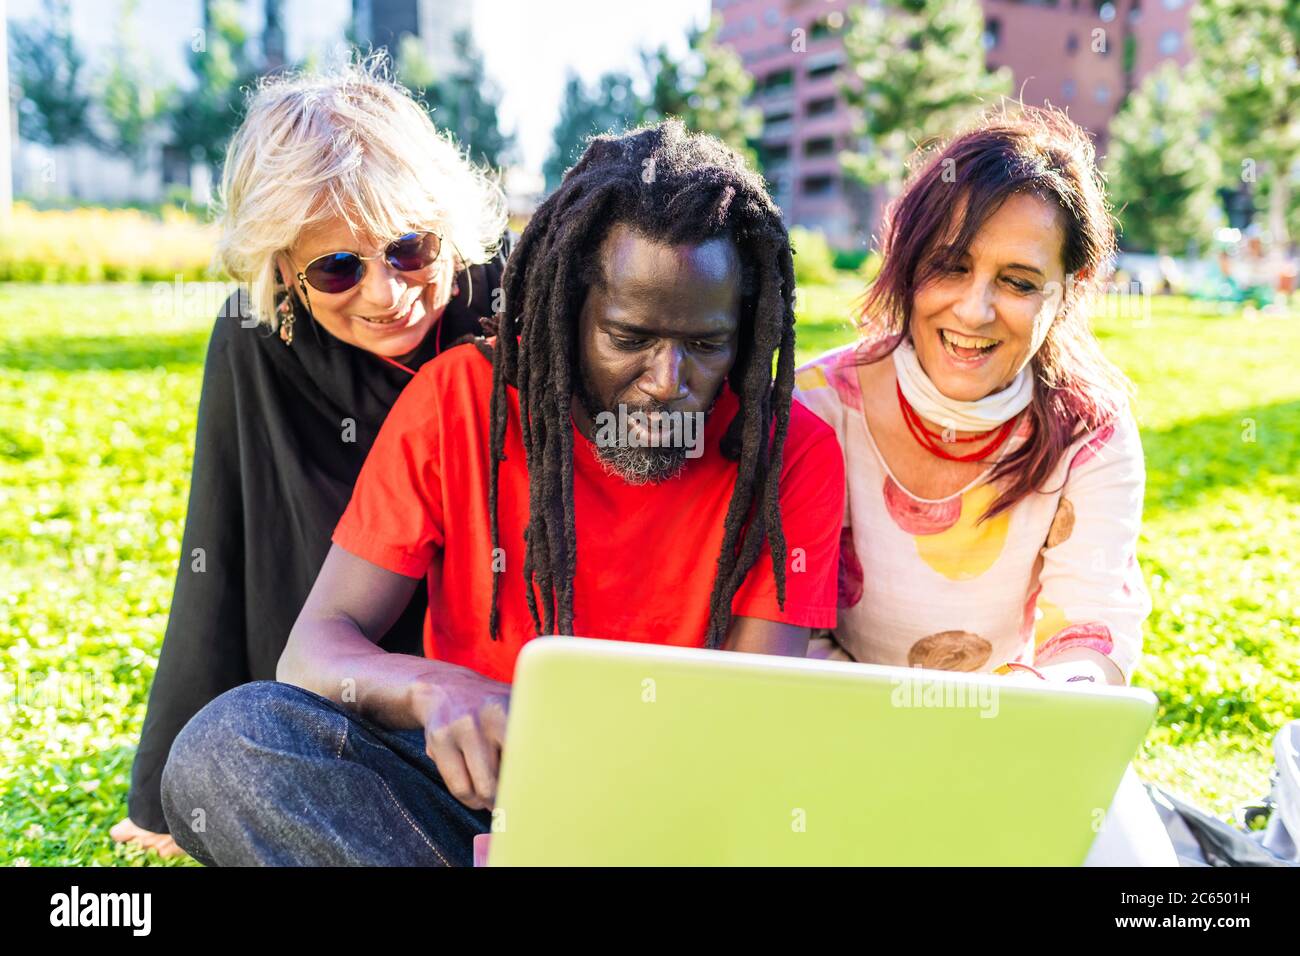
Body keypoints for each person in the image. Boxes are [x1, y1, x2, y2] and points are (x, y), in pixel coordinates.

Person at [157, 120, 844, 866]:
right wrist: (435, 690)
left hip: (672, 816)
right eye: (628, 337)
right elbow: (315, 648)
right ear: (570, 312)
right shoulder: (457, 400)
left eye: (706, 344)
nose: (667, 382)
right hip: (470, 799)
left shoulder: (792, 452)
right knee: (230, 745)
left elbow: (745, 720)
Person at [111, 60, 509, 859]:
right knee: (241, 751)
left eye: (409, 248)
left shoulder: (511, 298)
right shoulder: (258, 334)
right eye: (336, 268)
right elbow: (216, 547)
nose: (385, 293)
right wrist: (157, 796)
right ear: (284, 267)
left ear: (446, 224)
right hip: (337, 664)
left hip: (492, 667)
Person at [796, 107, 1176, 865]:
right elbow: (786, 627)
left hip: (1016, 733)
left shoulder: (1092, 432)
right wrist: (886, 731)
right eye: (950, 265)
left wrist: (1025, 718)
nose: (974, 309)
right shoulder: (816, 407)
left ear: (1065, 293)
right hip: (832, 728)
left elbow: (1089, 636)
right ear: (906, 262)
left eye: (1018, 281)